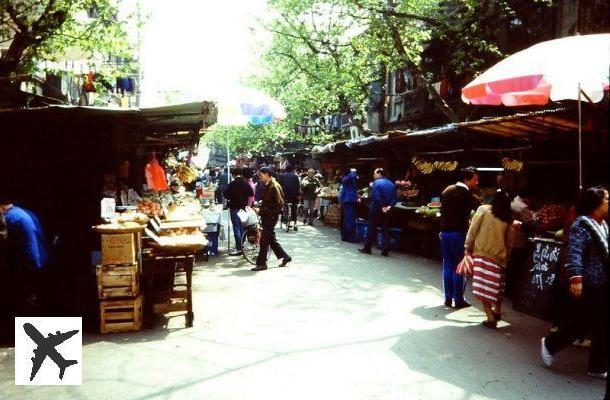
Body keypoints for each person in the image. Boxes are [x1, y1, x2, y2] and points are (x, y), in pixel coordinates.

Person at [541, 186, 608, 379]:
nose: (608, 202)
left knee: (597, 324)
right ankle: (550, 344)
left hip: (602, 283)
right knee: (584, 323)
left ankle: (597, 366)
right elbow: (575, 252)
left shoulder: (602, 224)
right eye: (606, 199)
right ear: (596, 203)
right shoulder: (582, 224)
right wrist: (576, 278)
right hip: (590, 283)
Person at [464, 191, 514, 329]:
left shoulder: (483, 210)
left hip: (482, 254)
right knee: (498, 287)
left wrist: (468, 247)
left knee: (483, 288)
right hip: (500, 257)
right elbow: (510, 241)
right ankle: (497, 312)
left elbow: (472, 230)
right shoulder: (508, 217)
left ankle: (490, 318)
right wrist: (507, 256)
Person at [0, 198, 51, 317]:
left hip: (28, 262)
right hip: (40, 258)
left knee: (24, 298)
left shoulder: (9, 217)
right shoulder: (25, 213)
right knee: (32, 295)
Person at [440, 167, 480, 309]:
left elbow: (442, 212)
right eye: (475, 179)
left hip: (445, 233)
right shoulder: (467, 195)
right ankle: (458, 299)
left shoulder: (447, 191)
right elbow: (479, 211)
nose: (477, 182)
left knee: (447, 264)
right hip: (458, 234)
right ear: (466, 179)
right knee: (459, 266)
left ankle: (448, 298)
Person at [252, 167, 291, 271]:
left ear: (267, 174)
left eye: (261, 175)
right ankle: (286, 257)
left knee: (264, 241)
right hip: (268, 216)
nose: (260, 177)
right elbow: (269, 202)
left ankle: (262, 263)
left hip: (270, 217)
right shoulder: (270, 185)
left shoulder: (274, 186)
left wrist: (260, 210)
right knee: (270, 239)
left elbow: (278, 204)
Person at [358, 168, 396, 256]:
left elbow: (376, 197)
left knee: (371, 228)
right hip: (387, 210)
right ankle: (385, 250)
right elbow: (394, 198)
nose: (373, 175)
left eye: (375, 174)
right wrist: (389, 206)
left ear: (379, 174)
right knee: (385, 229)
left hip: (376, 209)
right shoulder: (391, 184)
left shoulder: (376, 183)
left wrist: (382, 206)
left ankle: (367, 248)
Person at [224, 170, 254, 256]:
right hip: (243, 208)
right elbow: (251, 193)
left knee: (236, 227)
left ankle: (239, 247)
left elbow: (225, 194)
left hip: (234, 208)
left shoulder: (232, 184)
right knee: (241, 226)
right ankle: (242, 245)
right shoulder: (245, 184)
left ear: (233, 175)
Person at [278, 164, 300, 231]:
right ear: (292, 169)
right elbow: (298, 186)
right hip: (294, 196)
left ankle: (285, 219)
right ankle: (295, 223)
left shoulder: (282, 175)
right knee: (294, 209)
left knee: (284, 206)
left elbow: (280, 186)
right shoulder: (295, 176)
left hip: (285, 195)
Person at [339, 168, 359, 242]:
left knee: (347, 219)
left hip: (349, 200)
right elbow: (353, 176)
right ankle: (350, 237)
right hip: (349, 201)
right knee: (350, 220)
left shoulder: (348, 180)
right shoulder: (346, 179)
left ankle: (345, 236)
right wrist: (353, 171)